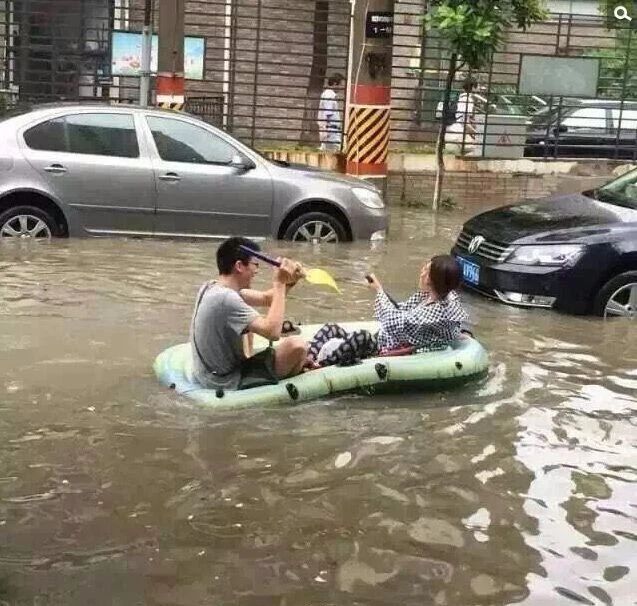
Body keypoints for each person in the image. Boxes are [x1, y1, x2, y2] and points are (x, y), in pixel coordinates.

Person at [190, 237, 308, 391]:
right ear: (239, 266)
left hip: (210, 374)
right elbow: (273, 332)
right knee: (297, 347)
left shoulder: (212, 287)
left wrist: (290, 281)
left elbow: (267, 299)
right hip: (225, 381)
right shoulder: (226, 298)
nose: (256, 271)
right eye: (255, 265)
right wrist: (279, 283)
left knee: (249, 319)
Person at [307, 255, 469, 367]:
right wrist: (380, 291)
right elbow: (401, 309)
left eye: (426, 272)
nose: (421, 273)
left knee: (361, 336)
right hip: (389, 339)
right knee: (331, 328)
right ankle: (308, 357)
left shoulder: (438, 312)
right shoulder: (429, 296)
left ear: (433, 281)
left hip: (392, 349)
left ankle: (320, 366)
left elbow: (394, 323)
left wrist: (378, 291)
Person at [446, 77, 479, 155]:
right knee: (478, 149)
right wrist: (477, 134)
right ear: (473, 87)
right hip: (457, 134)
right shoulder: (467, 100)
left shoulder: (458, 98)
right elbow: (463, 122)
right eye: (477, 87)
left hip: (449, 133)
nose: (479, 89)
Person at [317, 73, 344, 152]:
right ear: (335, 84)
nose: (342, 87)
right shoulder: (329, 95)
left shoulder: (328, 94)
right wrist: (326, 131)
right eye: (341, 84)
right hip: (331, 131)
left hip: (331, 131)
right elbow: (328, 114)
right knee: (333, 153)